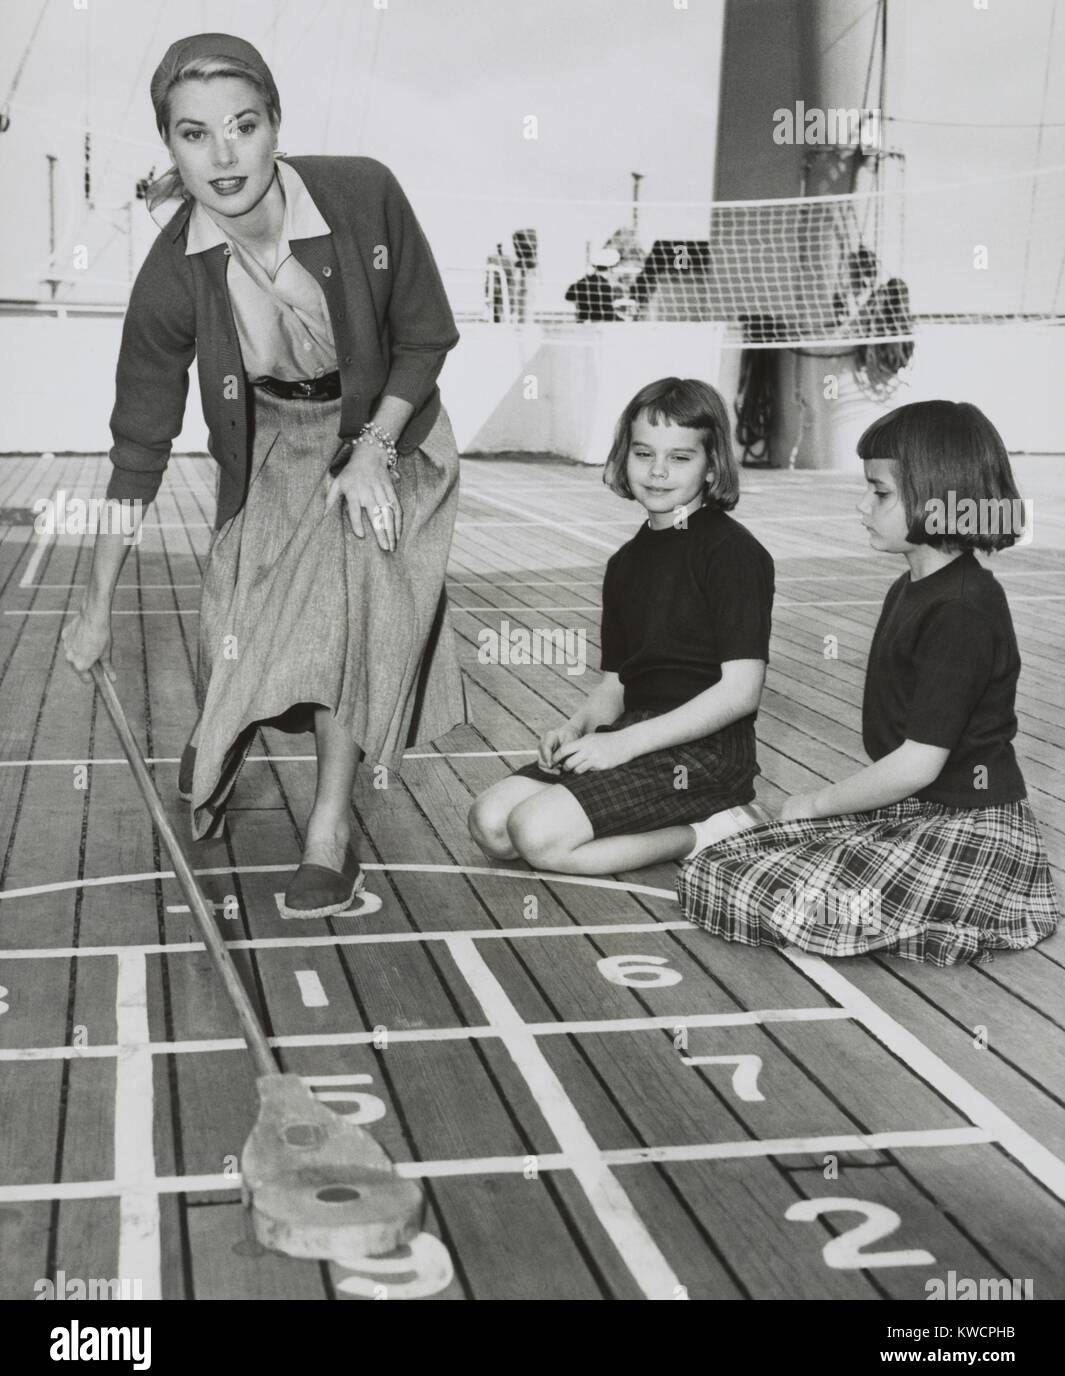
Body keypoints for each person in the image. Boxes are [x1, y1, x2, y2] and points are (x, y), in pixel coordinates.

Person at [60, 33, 467, 917]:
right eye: (194, 134)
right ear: (170, 147)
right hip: (274, 441)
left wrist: (372, 452)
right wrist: (94, 603)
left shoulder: (363, 192)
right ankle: (224, 735)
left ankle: (330, 828)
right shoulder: (172, 276)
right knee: (240, 622)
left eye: (243, 126)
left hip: (390, 429)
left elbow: (427, 336)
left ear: (276, 124)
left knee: (354, 581)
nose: (224, 154)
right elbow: (139, 447)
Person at [677, 400, 1059, 966]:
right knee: (715, 867)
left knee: (765, 892)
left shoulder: (963, 610)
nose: (862, 506)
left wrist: (817, 802)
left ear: (937, 497)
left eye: (879, 493)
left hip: (972, 830)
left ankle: (962, 911)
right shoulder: (910, 587)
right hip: (916, 814)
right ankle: (919, 908)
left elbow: (916, 765)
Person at [468, 377, 775, 874]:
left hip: (704, 754)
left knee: (537, 835)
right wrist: (577, 728)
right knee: (492, 824)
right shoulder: (626, 562)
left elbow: (740, 693)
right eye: (643, 453)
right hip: (635, 733)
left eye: (680, 457)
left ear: (712, 463)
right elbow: (616, 683)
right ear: (623, 456)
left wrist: (620, 745)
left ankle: (706, 832)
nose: (657, 471)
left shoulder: (732, 553)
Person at [564, 249, 620, 322]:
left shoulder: (583, 282)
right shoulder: (604, 286)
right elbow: (607, 311)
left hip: (582, 321)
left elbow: (568, 296)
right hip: (599, 323)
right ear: (610, 269)